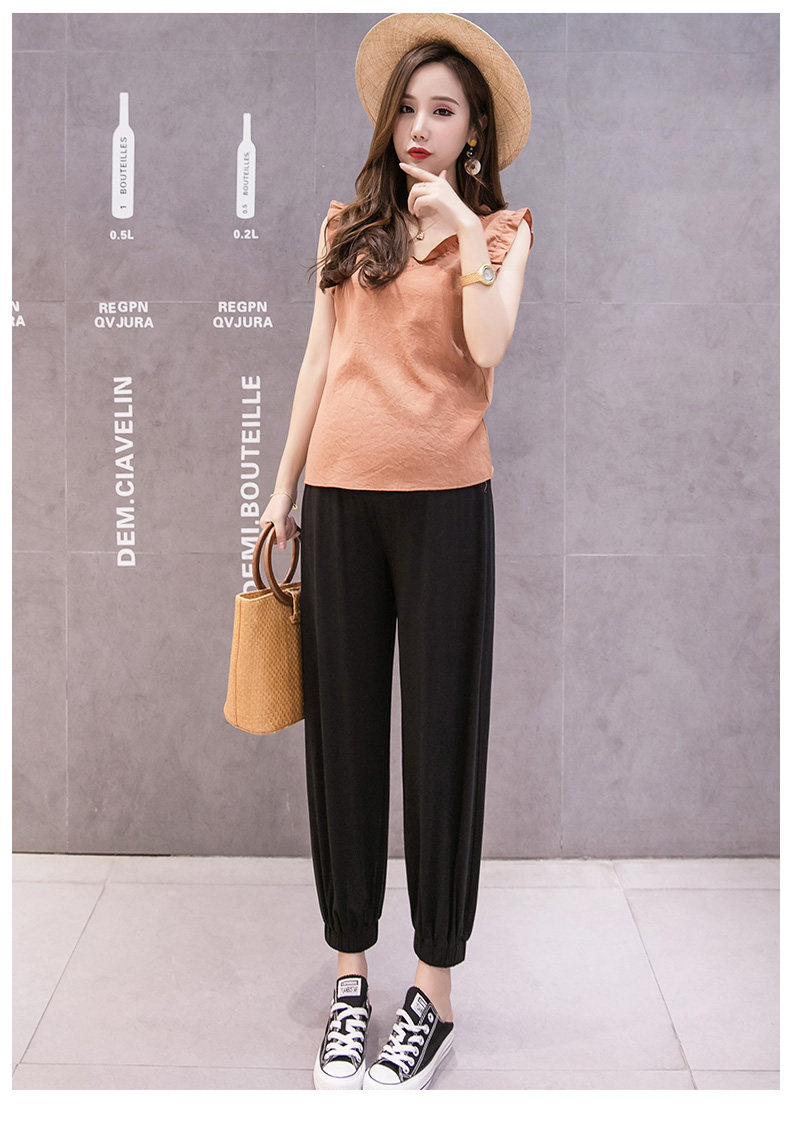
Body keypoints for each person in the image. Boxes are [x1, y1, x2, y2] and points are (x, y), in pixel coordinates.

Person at [259, 12, 534, 1090]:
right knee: (344, 742)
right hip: (339, 502)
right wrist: (280, 491)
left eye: (443, 110)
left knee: (442, 741)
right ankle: (350, 981)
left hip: (447, 507)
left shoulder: (501, 234)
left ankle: (434, 992)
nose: (419, 125)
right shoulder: (347, 228)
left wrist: (462, 226)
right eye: (408, 107)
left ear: (472, 134)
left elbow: (487, 344)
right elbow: (316, 362)